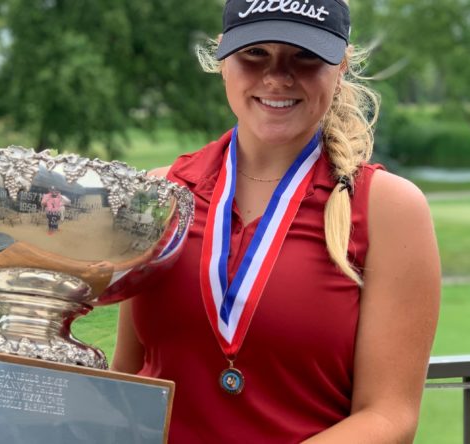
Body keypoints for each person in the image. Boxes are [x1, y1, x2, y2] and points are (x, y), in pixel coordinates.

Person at [113, 0, 440, 442]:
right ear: (223, 59)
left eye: (304, 56)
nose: (277, 76)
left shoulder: (388, 210)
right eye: (255, 54)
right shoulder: (159, 194)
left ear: (340, 65)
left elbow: (389, 416)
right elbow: (129, 378)